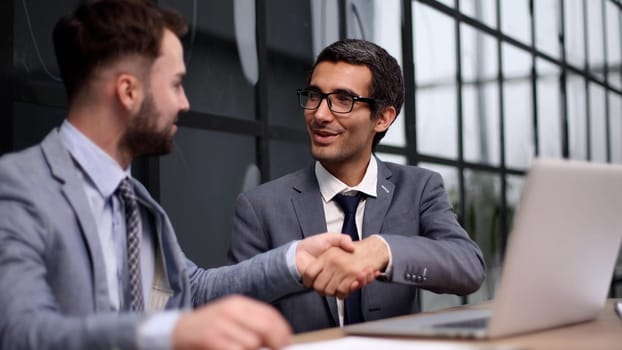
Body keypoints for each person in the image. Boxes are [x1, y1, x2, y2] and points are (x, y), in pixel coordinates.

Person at [0, 2, 374, 349]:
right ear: (128, 91)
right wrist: (169, 332)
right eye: (177, 84)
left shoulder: (134, 198)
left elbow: (190, 289)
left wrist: (293, 260)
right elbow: (20, 331)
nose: (185, 102)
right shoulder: (16, 187)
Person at [227, 39, 487, 333]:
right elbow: (238, 312)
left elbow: (469, 267)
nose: (321, 115)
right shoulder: (260, 207)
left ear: (383, 118)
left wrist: (382, 250)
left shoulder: (419, 188)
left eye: (343, 99)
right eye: (314, 96)